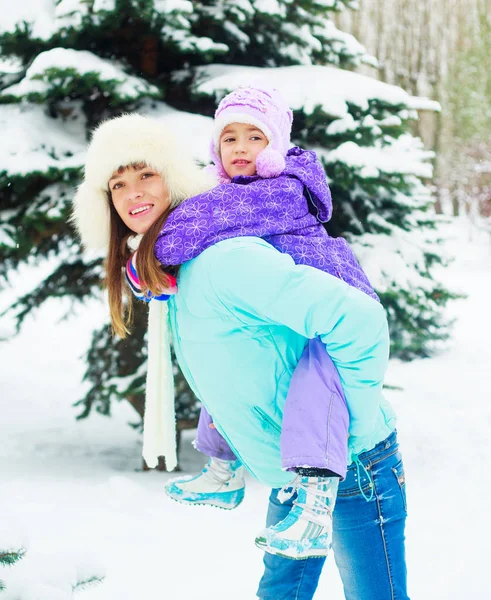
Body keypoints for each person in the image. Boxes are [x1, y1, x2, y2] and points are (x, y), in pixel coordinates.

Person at [72, 112, 409, 598]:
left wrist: (341, 442)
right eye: (118, 184)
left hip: (353, 465)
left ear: (175, 178)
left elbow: (360, 321)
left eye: (147, 174)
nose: (133, 194)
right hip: (293, 472)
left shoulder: (222, 260)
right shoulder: (178, 267)